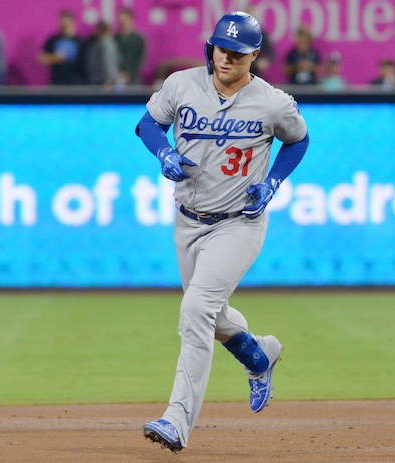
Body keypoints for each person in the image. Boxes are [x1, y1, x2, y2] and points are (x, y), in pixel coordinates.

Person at [135, 11, 309, 454]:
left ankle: (177, 419)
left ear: (254, 55)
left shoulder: (271, 101)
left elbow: (298, 140)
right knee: (211, 314)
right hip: (188, 219)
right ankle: (258, 355)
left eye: (236, 52)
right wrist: (163, 152)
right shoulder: (182, 84)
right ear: (209, 47)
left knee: (195, 309)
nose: (226, 57)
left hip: (238, 222)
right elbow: (147, 124)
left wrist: (272, 182)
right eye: (220, 48)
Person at [38, 10, 85, 85]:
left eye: (67, 23)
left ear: (73, 22)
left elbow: (86, 65)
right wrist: (55, 58)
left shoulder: (81, 42)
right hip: (56, 83)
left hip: (75, 83)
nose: (64, 25)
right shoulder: (53, 40)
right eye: (62, 22)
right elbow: (40, 59)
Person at [83, 20, 121, 88]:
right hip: (100, 80)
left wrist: (109, 80)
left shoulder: (105, 44)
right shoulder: (96, 44)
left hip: (104, 81)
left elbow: (108, 62)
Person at [115, 7, 146, 86]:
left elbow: (139, 59)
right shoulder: (116, 39)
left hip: (133, 78)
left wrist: (130, 75)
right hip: (117, 78)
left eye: (124, 19)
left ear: (130, 19)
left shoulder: (138, 39)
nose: (122, 22)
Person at [246, 5, 273, 78]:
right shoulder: (238, 32)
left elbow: (271, 51)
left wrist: (266, 61)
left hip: (255, 72)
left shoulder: (260, 32)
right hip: (239, 70)